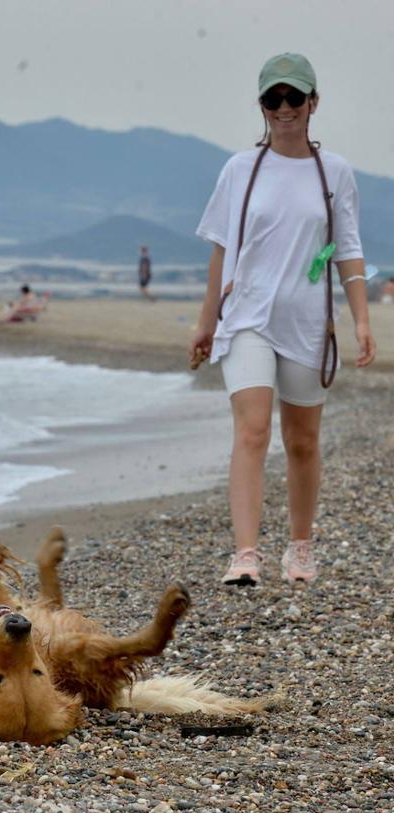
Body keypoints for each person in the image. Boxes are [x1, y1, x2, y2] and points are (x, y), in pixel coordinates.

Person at [188, 53, 376, 587]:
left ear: (314, 103)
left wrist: (361, 321)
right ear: (262, 105)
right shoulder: (240, 170)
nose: (284, 108)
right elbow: (221, 253)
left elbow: (349, 251)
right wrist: (206, 324)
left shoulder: (334, 172)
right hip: (247, 316)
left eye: (295, 98)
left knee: (302, 441)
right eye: (274, 99)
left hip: (308, 323)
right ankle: (245, 553)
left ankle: (301, 547)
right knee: (251, 430)